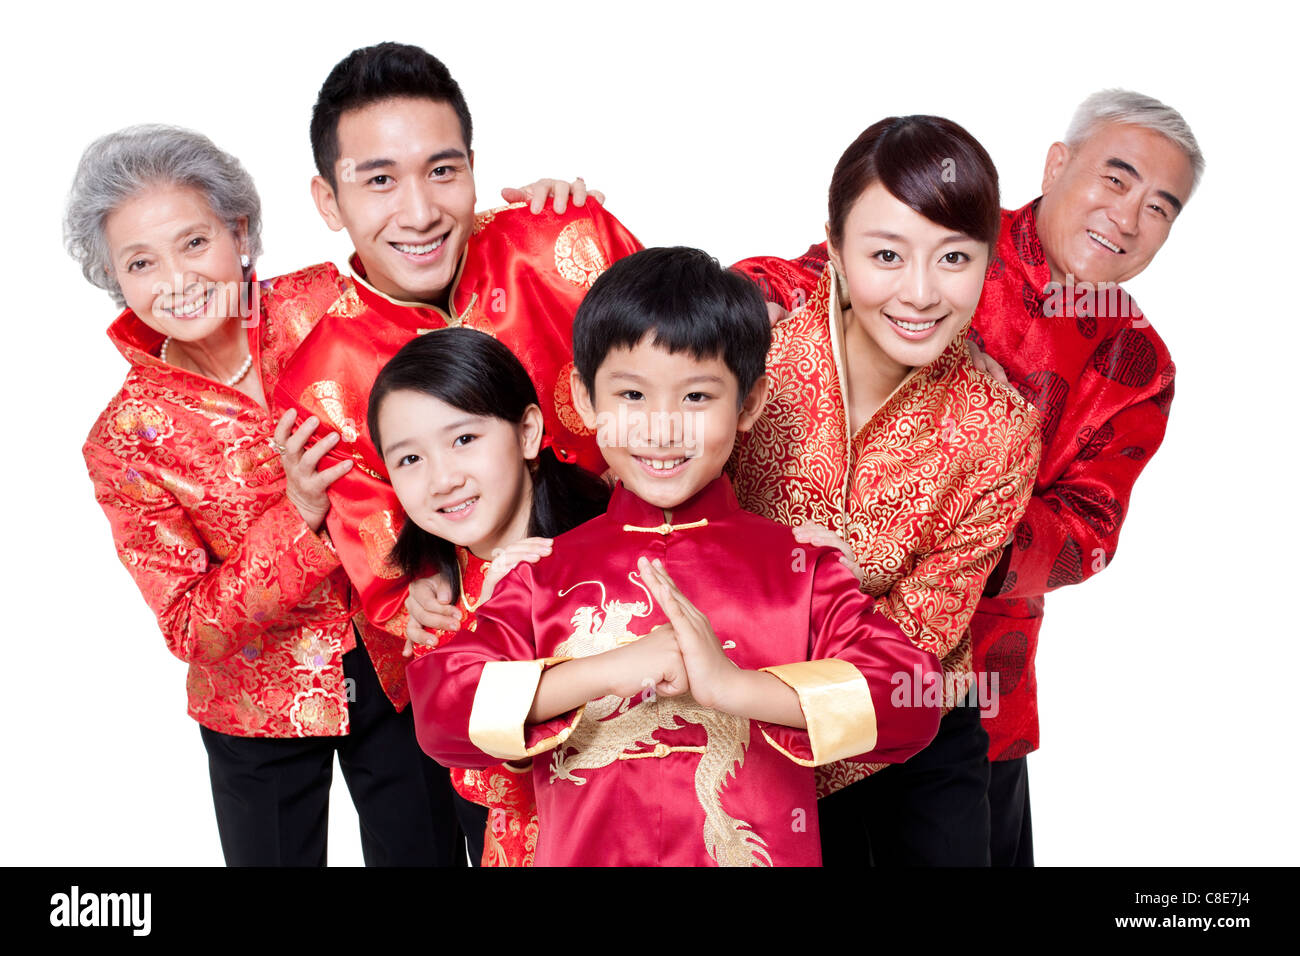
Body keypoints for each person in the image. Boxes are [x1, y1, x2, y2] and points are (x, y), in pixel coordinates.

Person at [732, 89, 1202, 865]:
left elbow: (1087, 535)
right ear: (1058, 165)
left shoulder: (1138, 365)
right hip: (769, 657)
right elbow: (819, 278)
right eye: (1116, 180)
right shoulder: (953, 224)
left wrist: (938, 529)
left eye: (1161, 208)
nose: (1127, 217)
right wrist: (729, 308)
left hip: (968, 681)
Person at [409, 246, 943, 866]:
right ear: (585, 401)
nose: (662, 430)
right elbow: (442, 711)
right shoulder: (543, 573)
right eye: (631, 395)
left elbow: (913, 697)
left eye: (696, 398)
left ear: (748, 405)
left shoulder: (800, 569)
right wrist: (612, 669)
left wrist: (733, 688)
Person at [70, 125, 462, 866]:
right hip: (255, 711)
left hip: (404, 658)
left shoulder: (331, 302)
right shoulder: (124, 438)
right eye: (141, 263)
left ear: (239, 231)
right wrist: (302, 519)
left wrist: (546, 216)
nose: (177, 279)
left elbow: (458, 290)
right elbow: (189, 626)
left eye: (194, 243)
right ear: (115, 279)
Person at [727, 115, 1042, 866]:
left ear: (989, 263)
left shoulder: (1001, 425)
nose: (921, 293)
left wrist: (836, 586)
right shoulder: (748, 360)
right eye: (886, 255)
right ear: (832, 250)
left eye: (955, 257)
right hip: (746, 715)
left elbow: (925, 629)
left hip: (917, 723)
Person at [270, 42, 643, 646]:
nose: (419, 213)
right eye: (381, 181)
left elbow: (698, 353)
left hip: (680, 573)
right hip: (523, 647)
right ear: (328, 201)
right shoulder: (320, 387)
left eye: (442, 171)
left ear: (472, 166)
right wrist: (417, 599)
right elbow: (402, 589)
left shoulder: (564, 240)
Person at [367, 327, 611, 865]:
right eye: (409, 460)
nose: (442, 479)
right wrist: (491, 630)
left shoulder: (608, 547)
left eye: (463, 440)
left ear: (527, 433)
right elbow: (484, 787)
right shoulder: (437, 603)